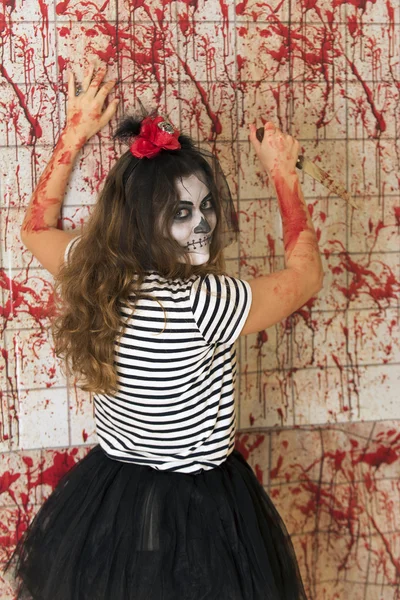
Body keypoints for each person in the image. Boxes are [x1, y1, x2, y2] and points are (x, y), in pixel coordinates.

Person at [4, 62, 323, 599]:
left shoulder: (96, 273)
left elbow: (36, 227)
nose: (201, 224)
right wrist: (284, 176)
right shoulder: (207, 302)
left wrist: (74, 133)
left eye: (205, 206)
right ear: (141, 219)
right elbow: (307, 276)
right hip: (200, 512)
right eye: (180, 211)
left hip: (115, 500)